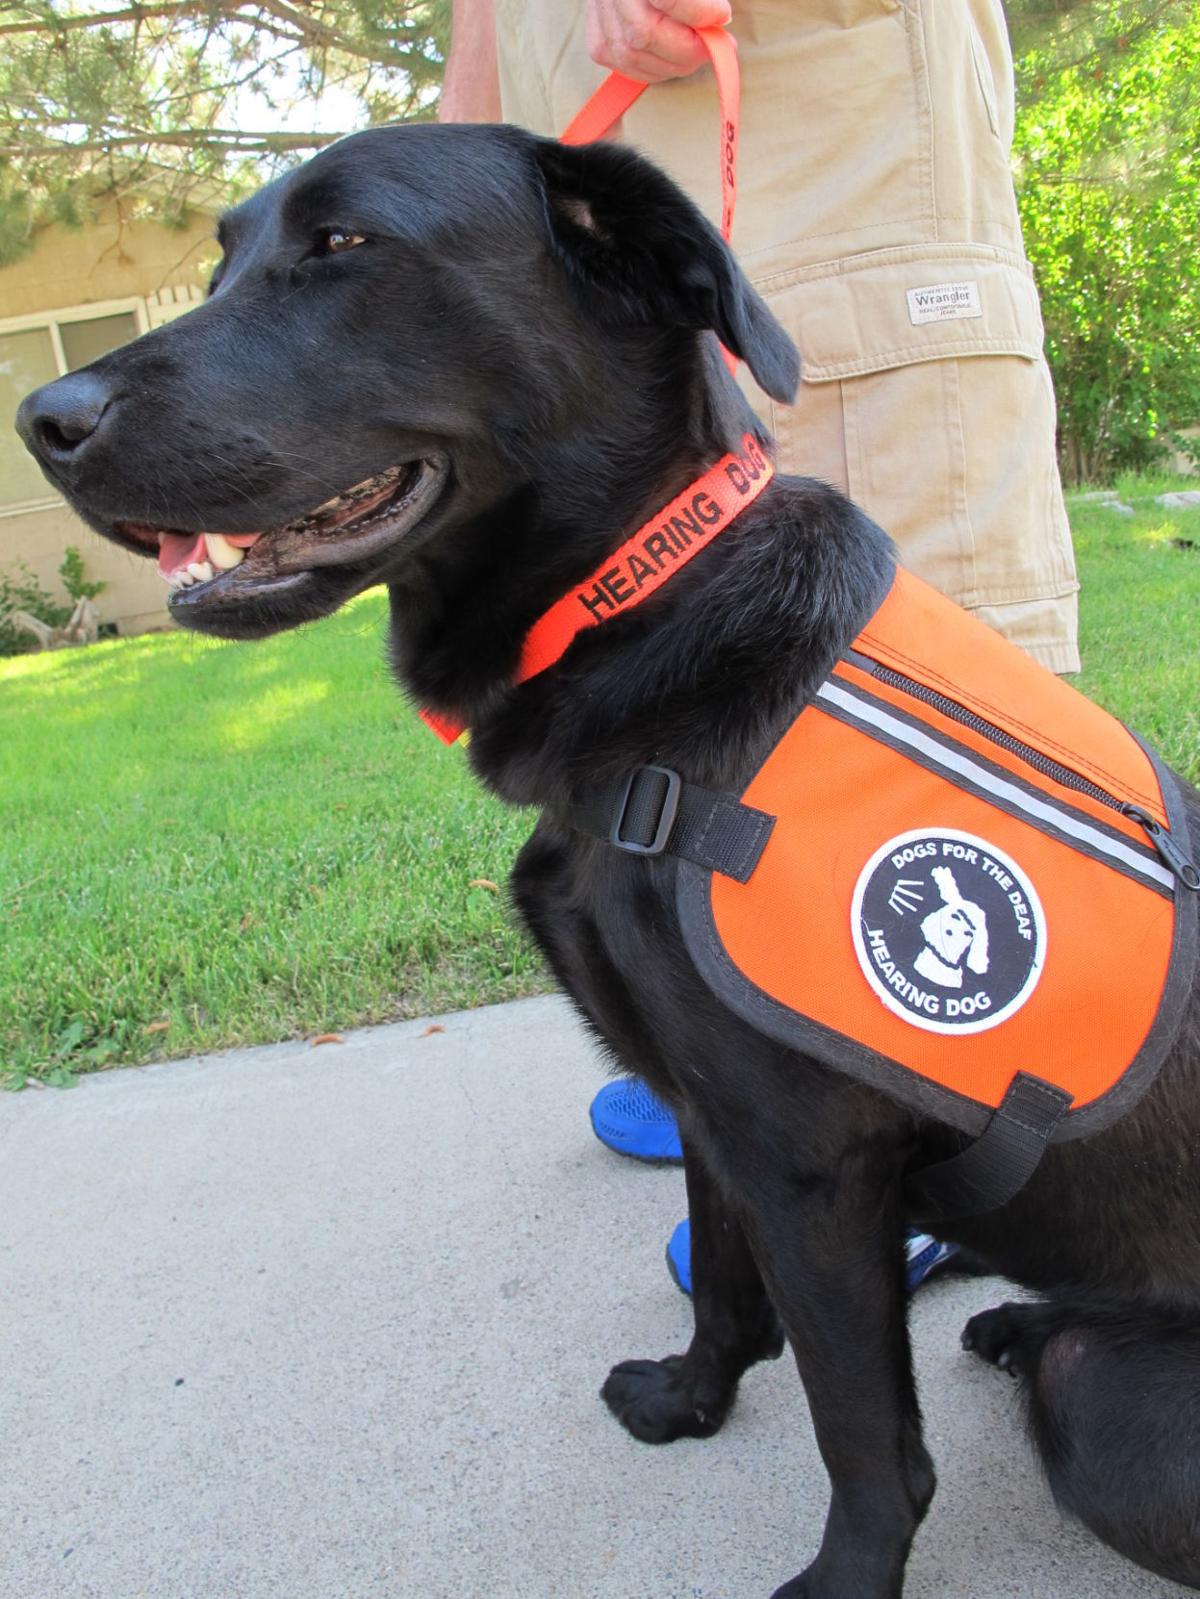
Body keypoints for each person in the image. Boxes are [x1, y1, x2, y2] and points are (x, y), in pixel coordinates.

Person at [439, 0, 1079, 1292]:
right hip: (597, 247)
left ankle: (922, 1150)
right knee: (663, 738)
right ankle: (742, 1062)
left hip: (831, 192)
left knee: (894, 744)